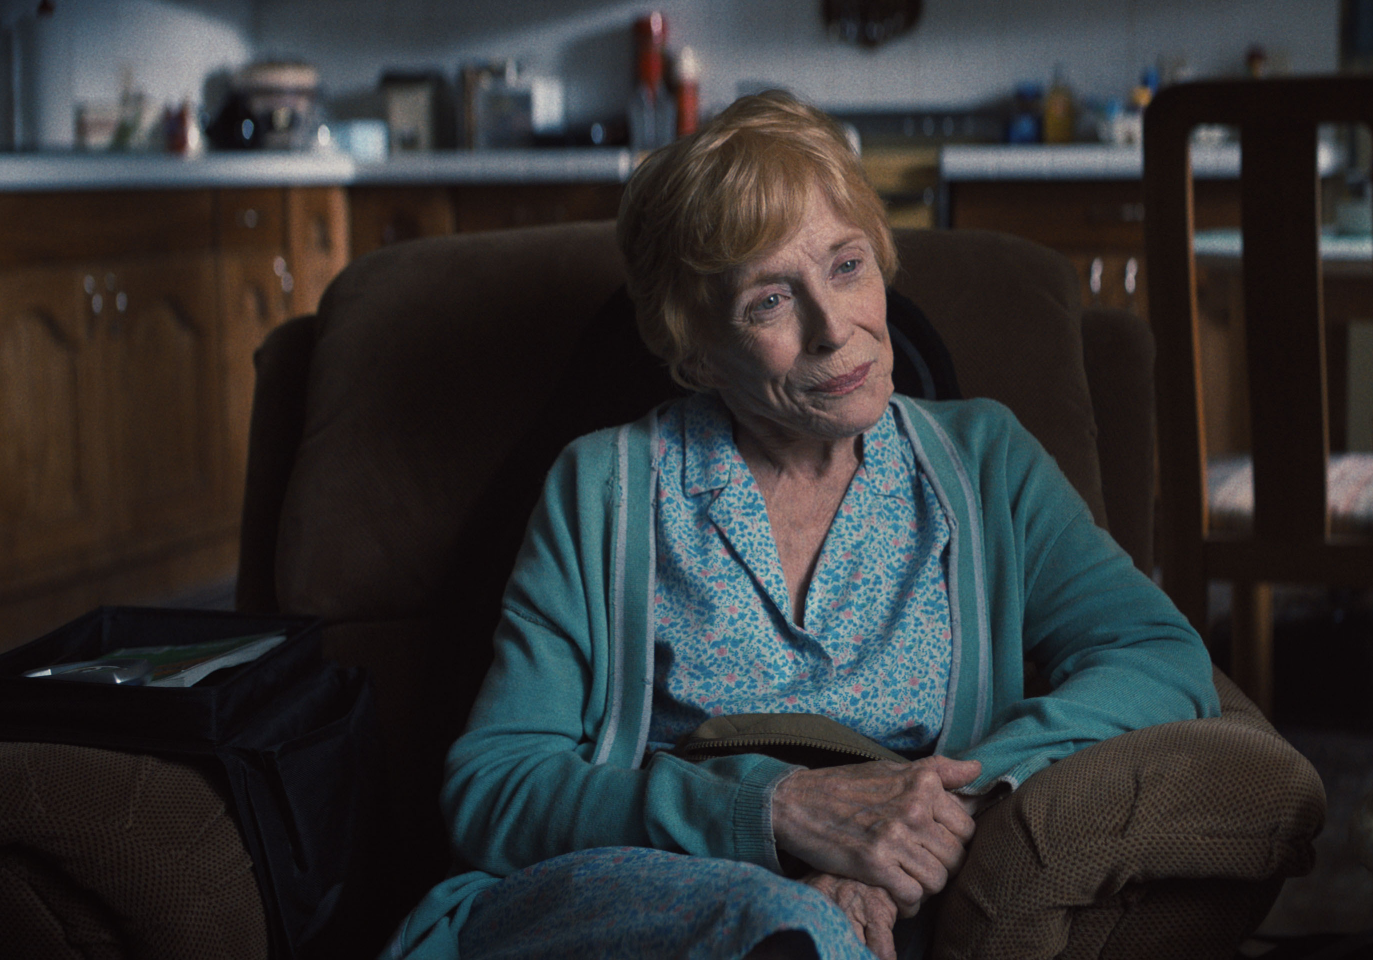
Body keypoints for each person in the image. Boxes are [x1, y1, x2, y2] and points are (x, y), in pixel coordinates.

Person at [383, 91, 1218, 960]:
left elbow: (1158, 654)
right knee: (793, 928)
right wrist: (776, 814)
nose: (833, 329)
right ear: (697, 350)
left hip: (878, 915)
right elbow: (494, 788)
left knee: (817, 933)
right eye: (770, 302)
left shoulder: (986, 463)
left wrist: (935, 810)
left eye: (848, 266)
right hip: (638, 892)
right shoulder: (605, 486)